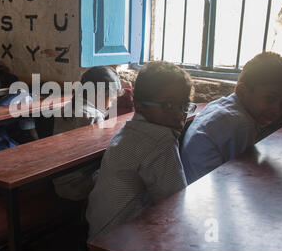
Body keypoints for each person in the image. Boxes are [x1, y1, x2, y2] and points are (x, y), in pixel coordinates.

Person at [86, 61, 193, 241]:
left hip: (98, 231)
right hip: (121, 240)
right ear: (140, 105)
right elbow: (176, 202)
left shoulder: (131, 129)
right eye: (168, 105)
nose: (179, 114)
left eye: (184, 105)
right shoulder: (160, 140)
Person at [181, 52, 282, 184]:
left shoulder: (221, 105)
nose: (278, 110)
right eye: (270, 99)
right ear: (242, 92)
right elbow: (246, 175)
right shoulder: (240, 123)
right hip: (202, 194)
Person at [51, 66, 123, 202]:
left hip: (59, 180)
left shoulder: (67, 108)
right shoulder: (93, 116)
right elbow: (103, 153)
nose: (111, 105)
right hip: (78, 184)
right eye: (112, 99)